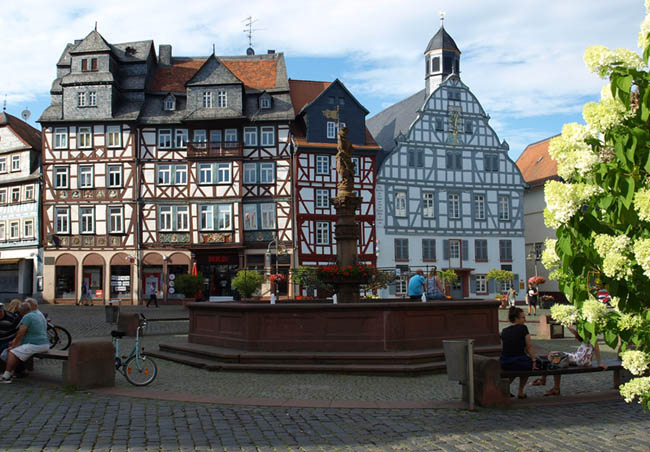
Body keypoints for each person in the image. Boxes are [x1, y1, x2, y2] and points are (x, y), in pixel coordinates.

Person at [530, 327, 607, 396]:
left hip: (579, 359)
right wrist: (567, 324)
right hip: (582, 359)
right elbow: (576, 334)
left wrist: (599, 363)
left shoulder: (592, 336)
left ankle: (547, 382)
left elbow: (597, 349)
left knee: (552, 355)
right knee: (555, 359)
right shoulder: (588, 335)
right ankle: (548, 382)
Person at [1, 301, 50, 383]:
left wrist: (15, 343)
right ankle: (13, 372)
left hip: (36, 344)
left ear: (21, 311)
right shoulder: (36, 314)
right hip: (43, 343)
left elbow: (21, 332)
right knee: (15, 351)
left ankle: (6, 376)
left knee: (12, 352)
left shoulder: (27, 317)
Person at [500, 306, 538, 399]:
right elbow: (529, 346)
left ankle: (504, 389)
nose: (525, 320)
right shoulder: (523, 328)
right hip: (519, 360)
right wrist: (534, 360)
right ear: (516, 318)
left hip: (505, 361)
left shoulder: (504, 331)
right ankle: (520, 391)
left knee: (513, 369)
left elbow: (503, 347)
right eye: (523, 317)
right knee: (525, 366)